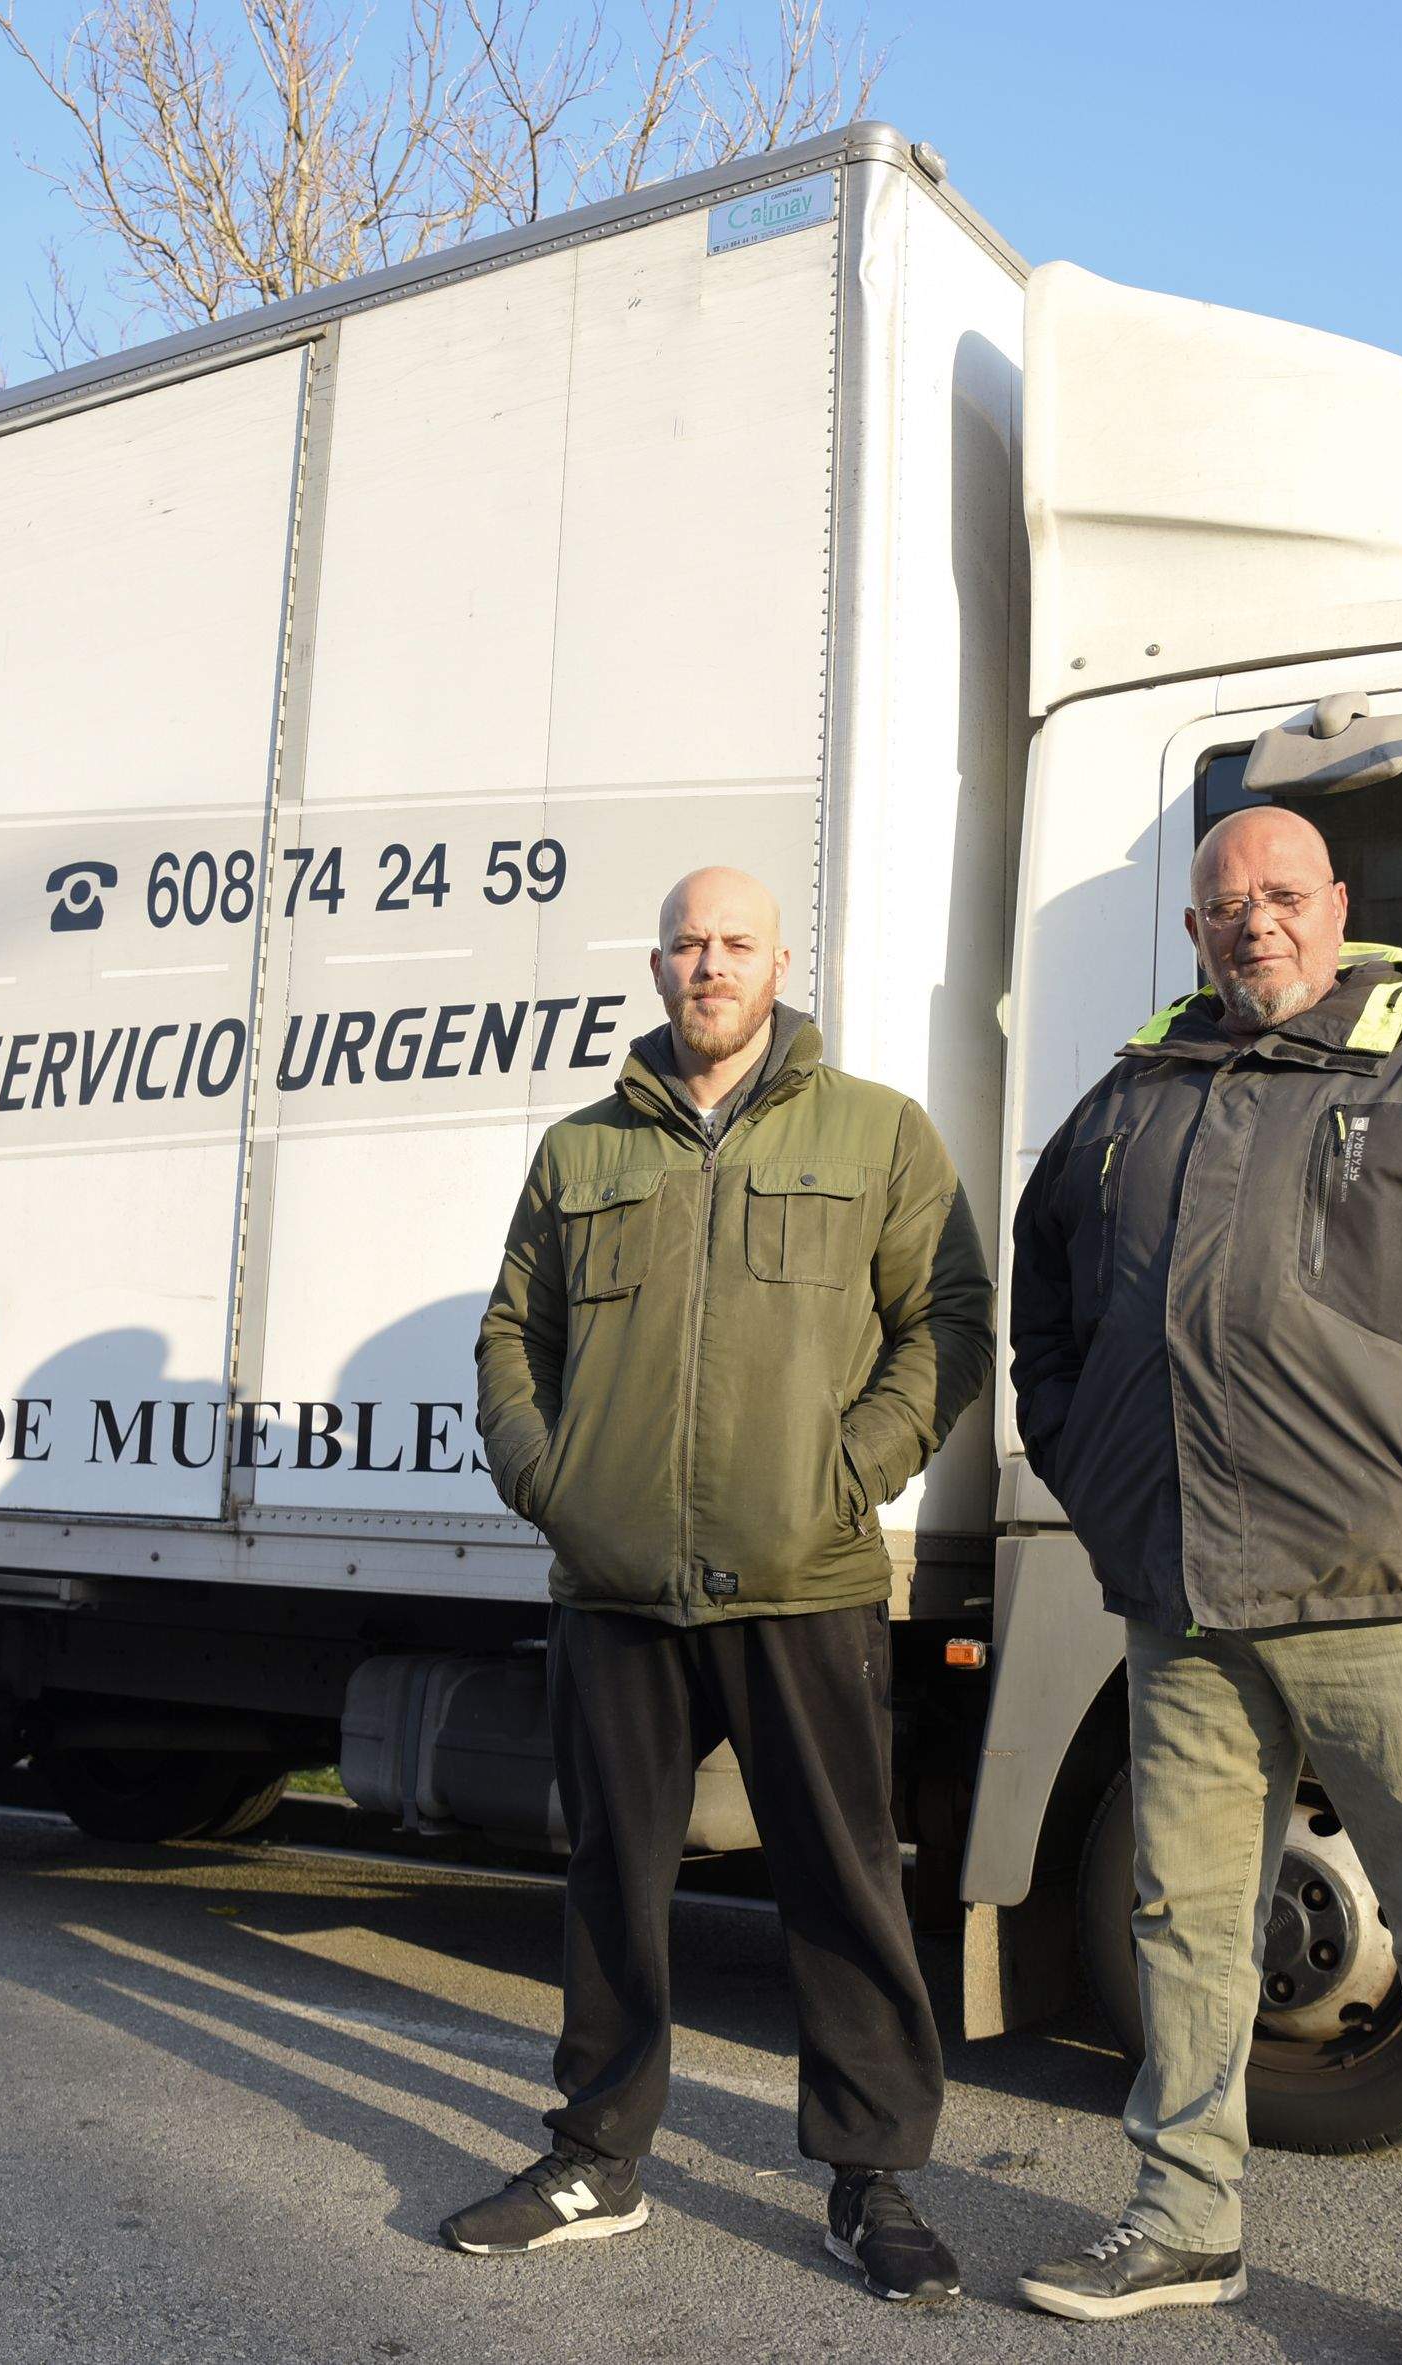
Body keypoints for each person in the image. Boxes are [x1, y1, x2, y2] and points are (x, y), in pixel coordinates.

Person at [1006, 805, 1402, 2362]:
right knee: (1183, 1924)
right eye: (1229, 905)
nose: (1259, 923)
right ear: (1195, 931)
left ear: (1338, 904)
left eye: (1285, 895)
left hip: (1396, 1585)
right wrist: (1104, 1484)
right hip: (1189, 1596)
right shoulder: (1130, 1097)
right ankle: (1185, 2216)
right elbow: (1049, 1322)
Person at [450, 864, 994, 2308]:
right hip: (616, 1585)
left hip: (801, 1577)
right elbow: (513, 1333)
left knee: (841, 1881)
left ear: (779, 964)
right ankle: (595, 2156)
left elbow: (949, 1318)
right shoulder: (582, 1148)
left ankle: (872, 2179)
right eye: (687, 943)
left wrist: (848, 1472)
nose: (710, 964)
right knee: (611, 1880)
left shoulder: (877, 1131)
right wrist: (551, 1479)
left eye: (735, 943)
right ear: (656, 966)